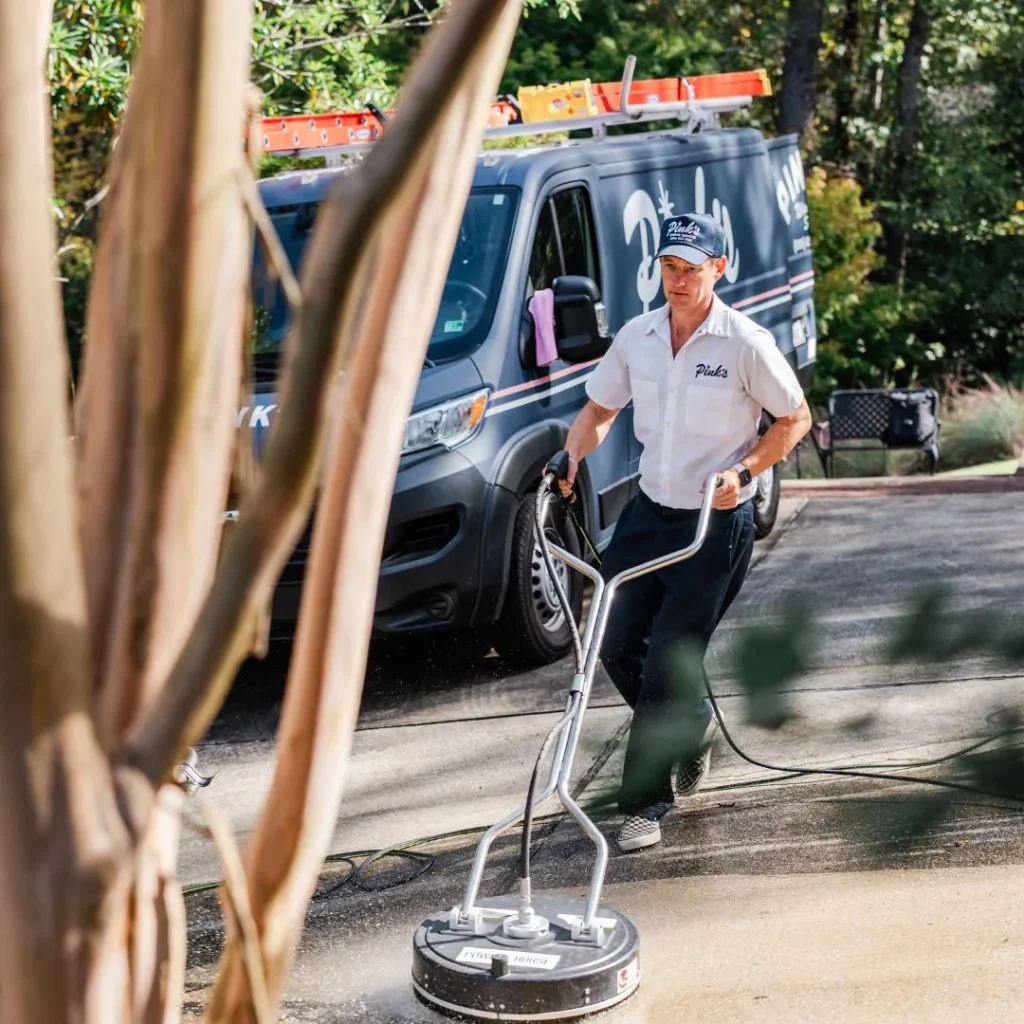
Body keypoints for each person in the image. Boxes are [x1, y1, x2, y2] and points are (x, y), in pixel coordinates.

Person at [555, 212, 811, 851]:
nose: (677, 281)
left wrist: (745, 470)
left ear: (718, 270)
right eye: (669, 268)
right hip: (649, 514)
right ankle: (693, 722)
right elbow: (600, 409)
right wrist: (572, 456)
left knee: (671, 656)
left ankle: (644, 802)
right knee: (612, 646)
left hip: (715, 523)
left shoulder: (745, 343)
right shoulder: (638, 337)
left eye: (690, 270)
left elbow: (795, 418)